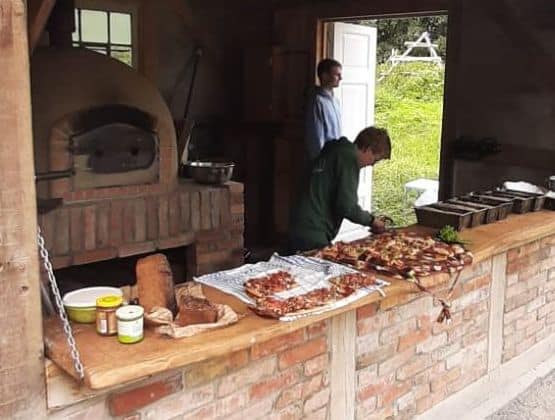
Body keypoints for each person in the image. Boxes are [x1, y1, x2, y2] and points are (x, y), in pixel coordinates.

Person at [289, 126, 392, 253]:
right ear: (368, 149)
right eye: (375, 160)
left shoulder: (335, 151)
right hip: (313, 230)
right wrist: (372, 221)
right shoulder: (348, 159)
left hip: (298, 223)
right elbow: (347, 206)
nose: (371, 165)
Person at [305, 58, 343, 160]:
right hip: (324, 160)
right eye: (337, 75)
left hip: (336, 157)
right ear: (325, 76)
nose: (341, 78)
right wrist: (320, 163)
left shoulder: (336, 102)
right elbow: (315, 136)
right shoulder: (317, 101)